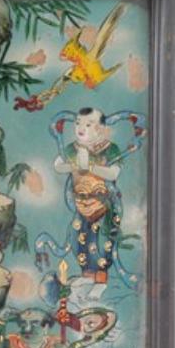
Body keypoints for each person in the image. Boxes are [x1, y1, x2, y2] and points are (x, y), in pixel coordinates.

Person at [53, 108, 122, 284]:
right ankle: (87, 278)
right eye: (78, 123)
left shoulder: (110, 149)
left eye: (88, 124)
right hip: (81, 203)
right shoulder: (73, 149)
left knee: (102, 243)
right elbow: (58, 166)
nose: (81, 128)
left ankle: (100, 281)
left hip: (103, 205)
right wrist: (75, 166)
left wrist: (90, 167)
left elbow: (113, 173)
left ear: (101, 128)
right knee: (79, 240)